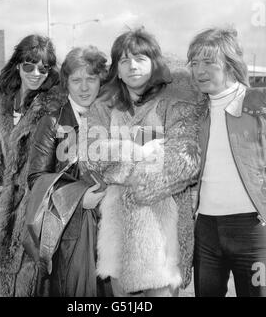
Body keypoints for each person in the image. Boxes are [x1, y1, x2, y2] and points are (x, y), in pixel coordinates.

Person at [81, 28, 205, 297]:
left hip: (163, 239)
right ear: (117, 68)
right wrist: (139, 151)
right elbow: (91, 156)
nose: (132, 66)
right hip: (117, 239)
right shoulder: (105, 105)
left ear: (154, 63)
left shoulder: (176, 101)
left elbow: (184, 159)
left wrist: (128, 175)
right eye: (124, 61)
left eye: (139, 58)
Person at [0, 34, 60, 296]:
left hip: (32, 212)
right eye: (29, 66)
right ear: (17, 65)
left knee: (29, 283)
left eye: (43, 68)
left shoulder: (53, 105)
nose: (36, 73)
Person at [187, 27, 266, 297]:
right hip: (206, 230)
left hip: (253, 230)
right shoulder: (195, 112)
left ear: (230, 64)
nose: (199, 70)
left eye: (209, 62)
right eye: (195, 63)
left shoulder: (258, 103)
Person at [27, 45, 111, 296]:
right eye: (76, 80)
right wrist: (78, 198)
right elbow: (37, 177)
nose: (84, 87)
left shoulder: (115, 118)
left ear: (101, 81)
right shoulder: (52, 121)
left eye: (91, 79)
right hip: (69, 234)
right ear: (66, 84)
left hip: (110, 230)